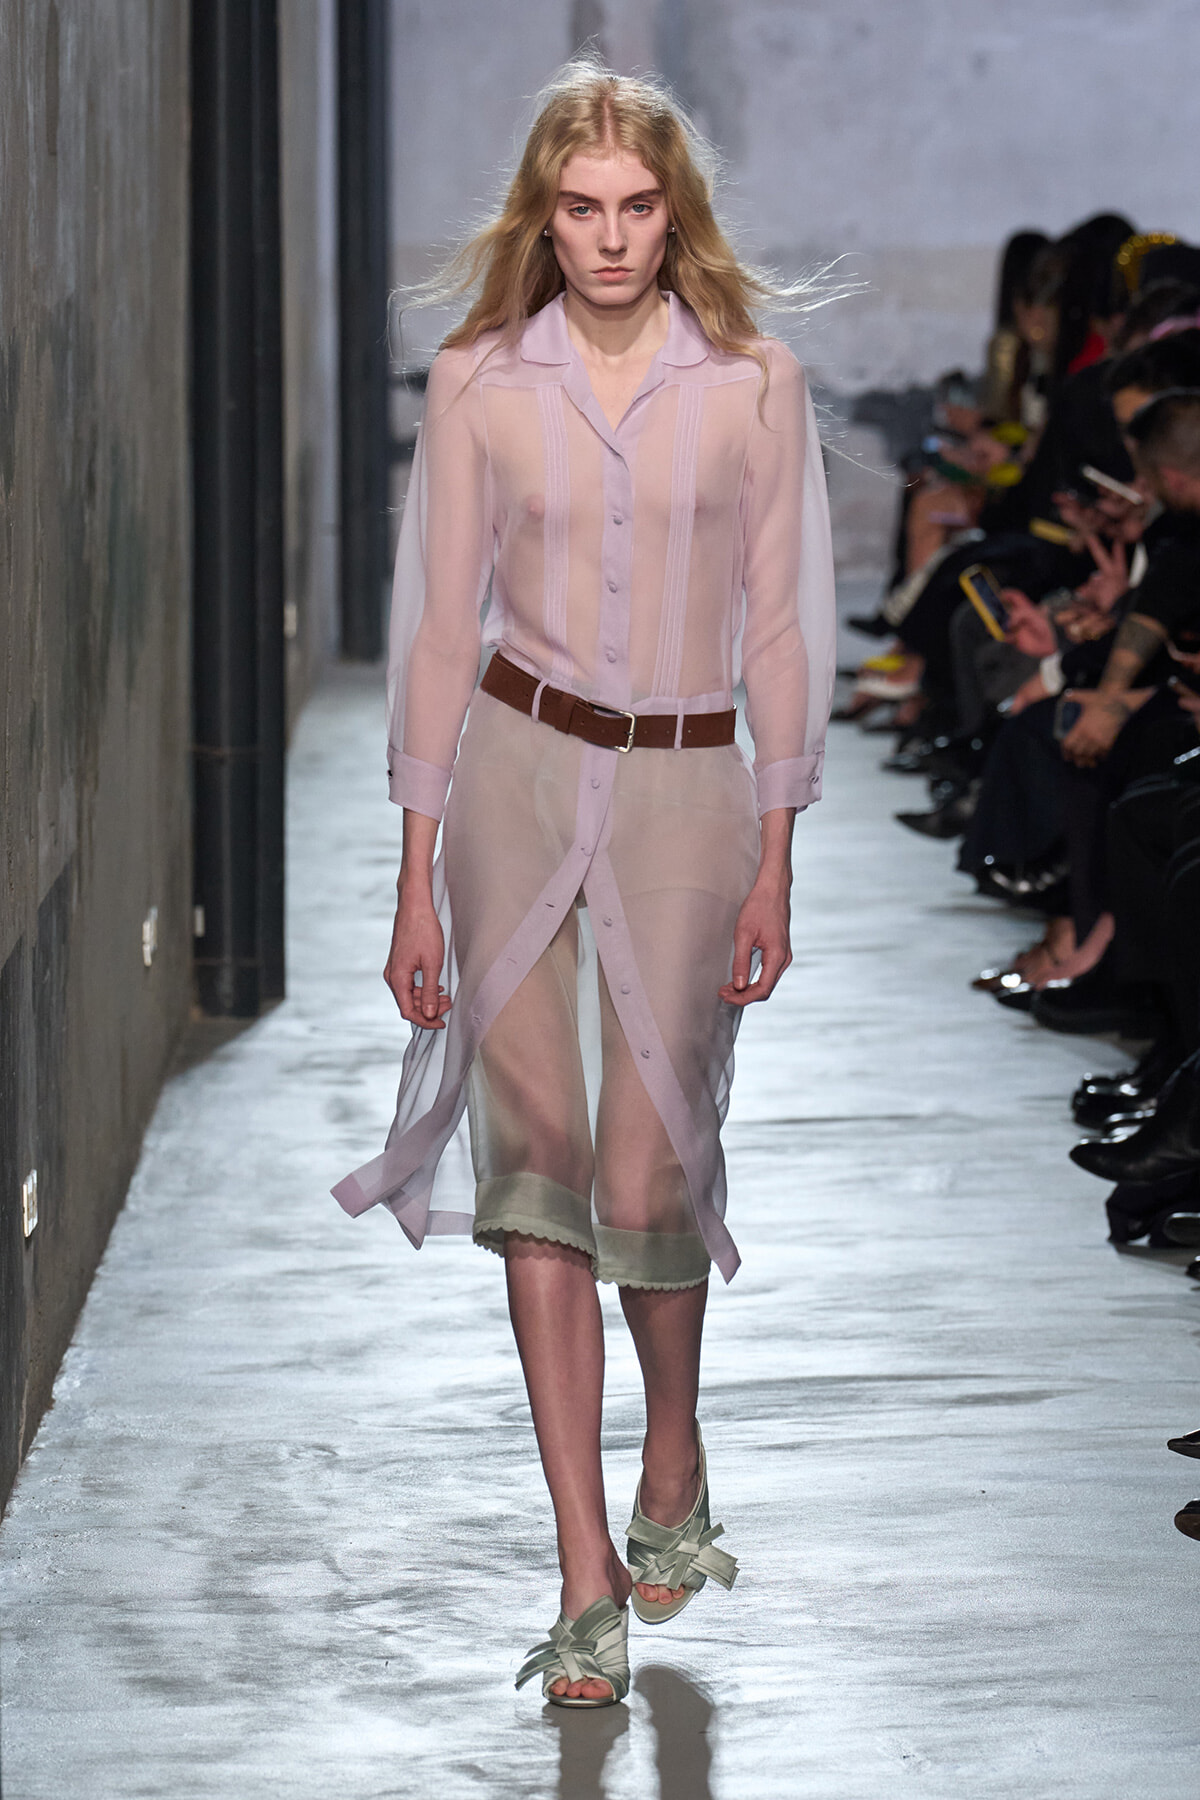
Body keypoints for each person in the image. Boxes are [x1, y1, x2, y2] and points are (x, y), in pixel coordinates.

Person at [332, 58, 836, 1709]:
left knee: (647, 1168)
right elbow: (433, 624)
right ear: (541, 218)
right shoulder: (482, 382)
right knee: (535, 1170)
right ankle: (580, 1572)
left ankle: (671, 1453)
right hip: (517, 780)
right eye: (580, 209)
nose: (611, 240)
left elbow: (781, 629)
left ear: (672, 215)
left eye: (637, 209)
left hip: (693, 787)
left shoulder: (756, 384)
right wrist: (413, 874)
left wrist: (777, 851)